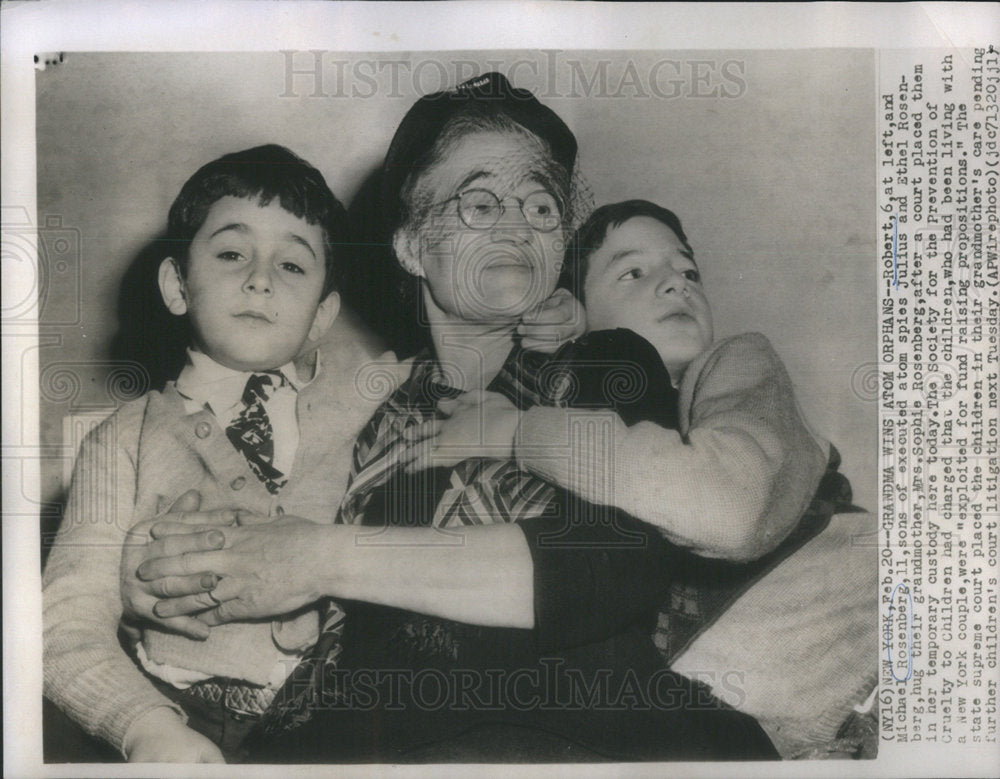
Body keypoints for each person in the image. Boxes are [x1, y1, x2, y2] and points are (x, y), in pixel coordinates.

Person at [125, 75, 781, 762]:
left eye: (541, 205)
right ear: (410, 245)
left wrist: (321, 557)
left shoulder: (603, 363)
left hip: (578, 734)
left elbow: (607, 565)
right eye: (478, 202)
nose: (518, 224)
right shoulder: (373, 417)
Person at [42, 144, 390, 763]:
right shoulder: (119, 439)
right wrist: (144, 726)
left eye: (292, 266)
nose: (260, 277)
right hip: (174, 710)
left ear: (321, 315)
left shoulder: (365, 405)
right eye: (232, 253)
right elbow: (65, 624)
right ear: (177, 285)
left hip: (336, 719)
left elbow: (465, 376)